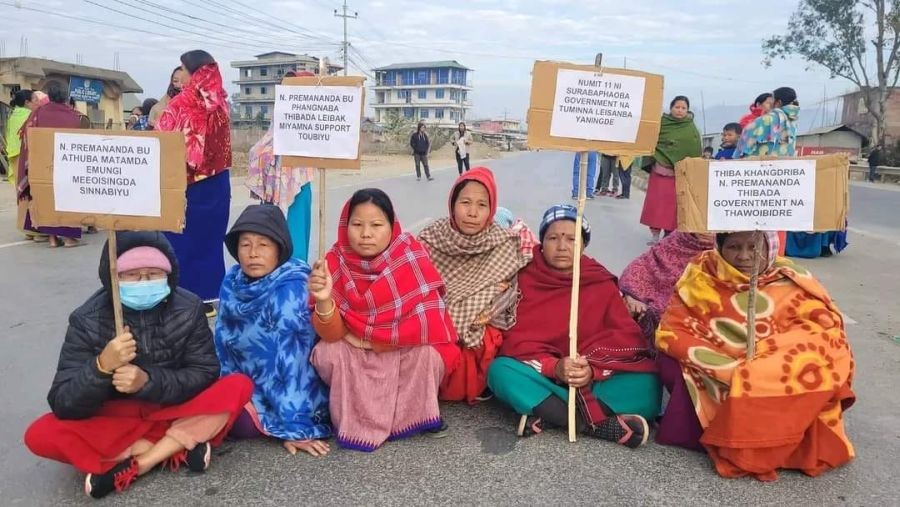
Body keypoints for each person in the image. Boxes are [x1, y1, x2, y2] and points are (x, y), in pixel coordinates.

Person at [23, 231, 253, 499]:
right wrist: (101, 367)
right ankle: (176, 444)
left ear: (169, 275)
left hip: (172, 407)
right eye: (132, 275)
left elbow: (205, 373)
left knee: (238, 385)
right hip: (117, 417)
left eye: (154, 273)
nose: (144, 281)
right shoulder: (86, 319)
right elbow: (63, 401)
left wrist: (148, 381)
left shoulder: (188, 307)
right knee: (39, 434)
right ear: (113, 278)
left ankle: (141, 462)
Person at [655, 231, 855, 480]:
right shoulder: (701, 273)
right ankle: (713, 429)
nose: (744, 256)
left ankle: (764, 438)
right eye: (734, 247)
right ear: (720, 246)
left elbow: (821, 329)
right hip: (715, 360)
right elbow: (675, 327)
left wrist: (766, 359)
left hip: (775, 361)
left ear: (770, 247)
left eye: (754, 247)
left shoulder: (793, 278)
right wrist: (731, 362)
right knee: (670, 360)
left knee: (812, 364)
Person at [487, 205, 659, 447]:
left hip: (594, 376)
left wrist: (592, 370)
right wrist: (555, 367)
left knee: (648, 386)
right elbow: (517, 342)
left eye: (571, 239)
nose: (561, 246)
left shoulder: (598, 279)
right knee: (500, 372)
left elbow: (625, 339)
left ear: (584, 245)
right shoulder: (525, 277)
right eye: (553, 238)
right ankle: (597, 425)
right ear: (541, 242)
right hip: (546, 376)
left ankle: (552, 416)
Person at [309, 189, 460, 451]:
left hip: (401, 350)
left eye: (376, 225)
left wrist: (370, 342)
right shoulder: (333, 262)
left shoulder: (410, 257)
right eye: (356, 225)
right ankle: (353, 419)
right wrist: (323, 299)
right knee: (328, 352)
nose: (366, 234)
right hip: (353, 350)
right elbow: (331, 335)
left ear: (392, 226)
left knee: (428, 354)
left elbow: (428, 325)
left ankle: (414, 415)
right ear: (345, 227)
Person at [215, 205, 331, 456]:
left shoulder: (293, 286)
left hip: (295, 392)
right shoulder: (232, 282)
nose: (253, 253)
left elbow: (293, 363)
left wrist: (294, 427)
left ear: (279, 249)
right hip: (244, 385)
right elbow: (224, 344)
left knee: (238, 424)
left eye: (263, 245)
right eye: (245, 245)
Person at [418, 168, 532, 404]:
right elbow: (418, 289)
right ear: (452, 204)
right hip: (436, 324)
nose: (472, 213)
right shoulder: (431, 238)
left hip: (480, 324)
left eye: (482, 205)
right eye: (465, 202)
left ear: (491, 210)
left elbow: (509, 292)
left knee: (489, 338)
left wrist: (483, 307)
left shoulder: (503, 242)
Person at [158, 50, 232, 317]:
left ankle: (179, 297)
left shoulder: (183, 103)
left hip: (185, 183)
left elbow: (163, 140)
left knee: (179, 239)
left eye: (184, 69)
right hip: (217, 182)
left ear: (194, 72)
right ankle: (207, 298)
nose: (181, 75)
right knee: (209, 241)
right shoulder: (221, 102)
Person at [247, 71, 316, 262]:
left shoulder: (315, 116)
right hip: (274, 185)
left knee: (295, 239)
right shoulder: (280, 115)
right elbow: (262, 148)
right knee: (272, 238)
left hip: (299, 184)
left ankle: (294, 280)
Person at [16, 81, 84, 247]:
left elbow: (27, 137)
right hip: (66, 166)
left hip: (42, 166)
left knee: (46, 199)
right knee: (67, 199)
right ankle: (68, 238)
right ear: (66, 96)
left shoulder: (38, 113)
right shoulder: (73, 115)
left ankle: (52, 238)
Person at [619, 232, 715, 343]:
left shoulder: (722, 255)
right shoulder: (677, 239)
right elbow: (642, 265)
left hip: (693, 320)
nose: (706, 231)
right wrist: (632, 295)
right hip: (650, 305)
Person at [639, 96, 701, 244]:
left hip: (678, 176)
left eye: (683, 108)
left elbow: (694, 150)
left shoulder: (691, 129)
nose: (680, 110)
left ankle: (668, 236)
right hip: (660, 171)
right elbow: (650, 142)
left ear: (687, 110)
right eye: (677, 107)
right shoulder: (661, 124)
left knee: (673, 208)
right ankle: (655, 235)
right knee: (656, 205)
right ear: (671, 108)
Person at [736, 87, 799, 158]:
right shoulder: (792, 121)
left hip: (761, 165)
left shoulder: (766, 119)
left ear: (778, 103)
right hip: (785, 165)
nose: (770, 102)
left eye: (771, 99)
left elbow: (744, 142)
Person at [4, 90, 37, 188]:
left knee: (19, 186)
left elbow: (8, 133)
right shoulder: (29, 115)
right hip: (23, 153)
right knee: (26, 188)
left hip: (13, 153)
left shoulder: (13, 115)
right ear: (27, 102)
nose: (37, 102)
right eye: (34, 99)